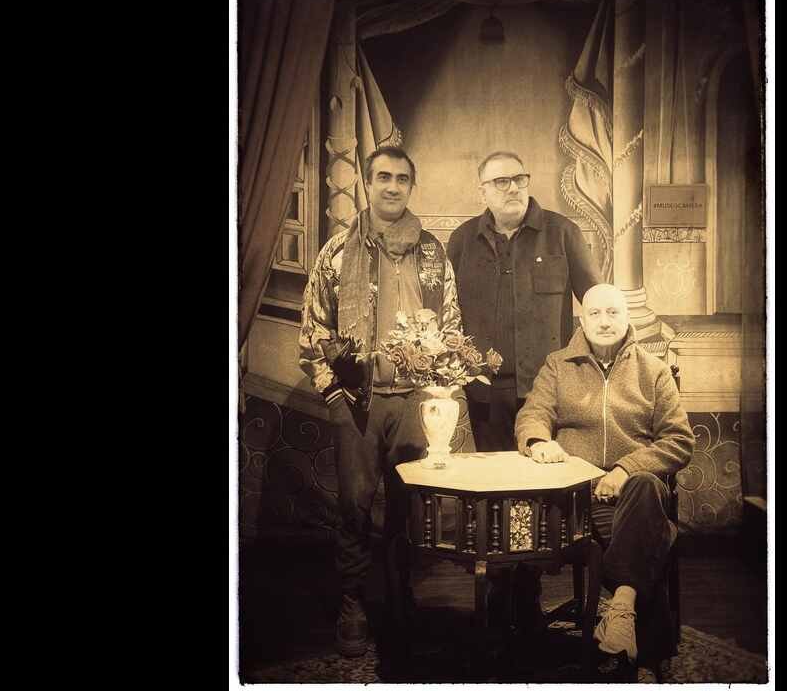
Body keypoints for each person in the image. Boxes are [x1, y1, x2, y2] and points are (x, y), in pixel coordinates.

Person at [298, 145, 475, 658]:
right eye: (383, 177)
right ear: (367, 184)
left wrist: (440, 388)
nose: (392, 186)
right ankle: (353, 601)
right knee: (355, 504)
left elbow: (451, 324)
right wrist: (335, 391)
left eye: (401, 178)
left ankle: (401, 596)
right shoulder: (336, 252)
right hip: (358, 400)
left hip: (416, 400)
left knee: (408, 505)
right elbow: (313, 331)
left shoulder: (432, 253)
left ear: (411, 186)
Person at [447, 151, 601, 630]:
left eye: (519, 178)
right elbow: (444, 313)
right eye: (500, 181)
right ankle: (498, 589)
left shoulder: (562, 233)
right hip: (485, 394)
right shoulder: (461, 241)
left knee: (535, 496)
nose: (512, 187)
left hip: (545, 395)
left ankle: (528, 593)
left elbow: (597, 304)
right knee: (493, 494)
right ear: (482, 190)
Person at [514, 283, 695, 669]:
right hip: (573, 495)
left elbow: (680, 441)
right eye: (595, 313)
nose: (604, 321)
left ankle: (621, 609)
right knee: (651, 535)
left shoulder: (654, 372)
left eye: (613, 312)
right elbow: (533, 413)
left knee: (645, 488)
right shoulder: (557, 365)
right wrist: (538, 440)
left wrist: (625, 469)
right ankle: (630, 627)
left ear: (627, 317)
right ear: (582, 320)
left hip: (632, 498)